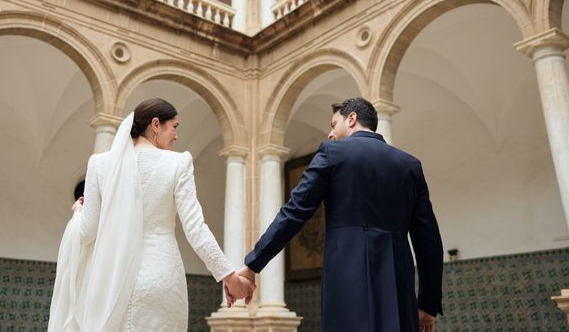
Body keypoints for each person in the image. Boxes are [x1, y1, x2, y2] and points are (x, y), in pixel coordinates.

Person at [233, 97, 443, 332]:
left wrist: (253, 266)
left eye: (334, 124)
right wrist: (428, 303)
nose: (330, 134)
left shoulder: (331, 152)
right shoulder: (410, 165)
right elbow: (429, 241)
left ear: (351, 118)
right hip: (398, 281)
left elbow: (293, 213)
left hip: (346, 274)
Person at [48, 98, 254, 331]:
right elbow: (196, 230)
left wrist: (77, 213)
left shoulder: (99, 164)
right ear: (156, 124)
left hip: (111, 281)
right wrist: (228, 276)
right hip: (160, 277)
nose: (176, 135)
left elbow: (86, 233)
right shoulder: (178, 163)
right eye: (174, 126)